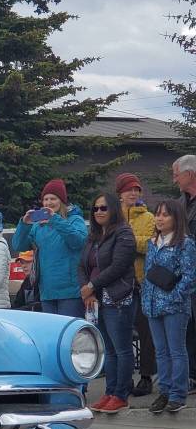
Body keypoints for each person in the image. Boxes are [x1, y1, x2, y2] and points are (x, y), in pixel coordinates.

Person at [81, 192, 137, 415]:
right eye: (95, 209)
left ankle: (121, 395)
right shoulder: (93, 236)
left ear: (113, 209)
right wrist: (87, 289)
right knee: (109, 350)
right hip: (97, 300)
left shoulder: (123, 233)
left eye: (103, 208)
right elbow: (81, 265)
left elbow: (119, 266)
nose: (98, 212)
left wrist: (92, 285)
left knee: (122, 349)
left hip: (118, 298)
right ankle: (110, 391)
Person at [142, 199, 196, 414]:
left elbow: (190, 276)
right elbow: (148, 274)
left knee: (176, 350)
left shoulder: (185, 243)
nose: (159, 218)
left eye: (165, 214)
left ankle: (177, 394)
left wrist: (174, 296)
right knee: (161, 352)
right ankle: (164, 391)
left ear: (176, 217)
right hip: (153, 305)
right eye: (157, 214)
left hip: (175, 307)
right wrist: (147, 297)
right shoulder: (152, 243)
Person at [11, 179, 87, 318]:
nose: (48, 203)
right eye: (45, 199)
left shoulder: (75, 220)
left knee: (69, 334)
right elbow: (18, 245)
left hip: (70, 291)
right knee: (53, 333)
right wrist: (25, 223)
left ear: (62, 201)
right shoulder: (38, 225)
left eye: (53, 198)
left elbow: (78, 241)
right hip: (46, 291)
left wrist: (55, 219)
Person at [117, 173, 157, 397]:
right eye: (128, 190)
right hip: (118, 283)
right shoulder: (113, 216)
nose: (133, 193)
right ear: (120, 194)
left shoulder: (149, 217)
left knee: (145, 332)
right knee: (120, 333)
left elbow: (151, 245)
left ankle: (146, 376)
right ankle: (124, 378)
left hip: (142, 282)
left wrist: (129, 239)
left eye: (137, 189)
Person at [171, 154, 196, 386]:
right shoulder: (179, 204)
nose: (174, 179)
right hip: (185, 276)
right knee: (188, 327)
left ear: (189, 174)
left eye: (176, 174)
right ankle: (191, 376)